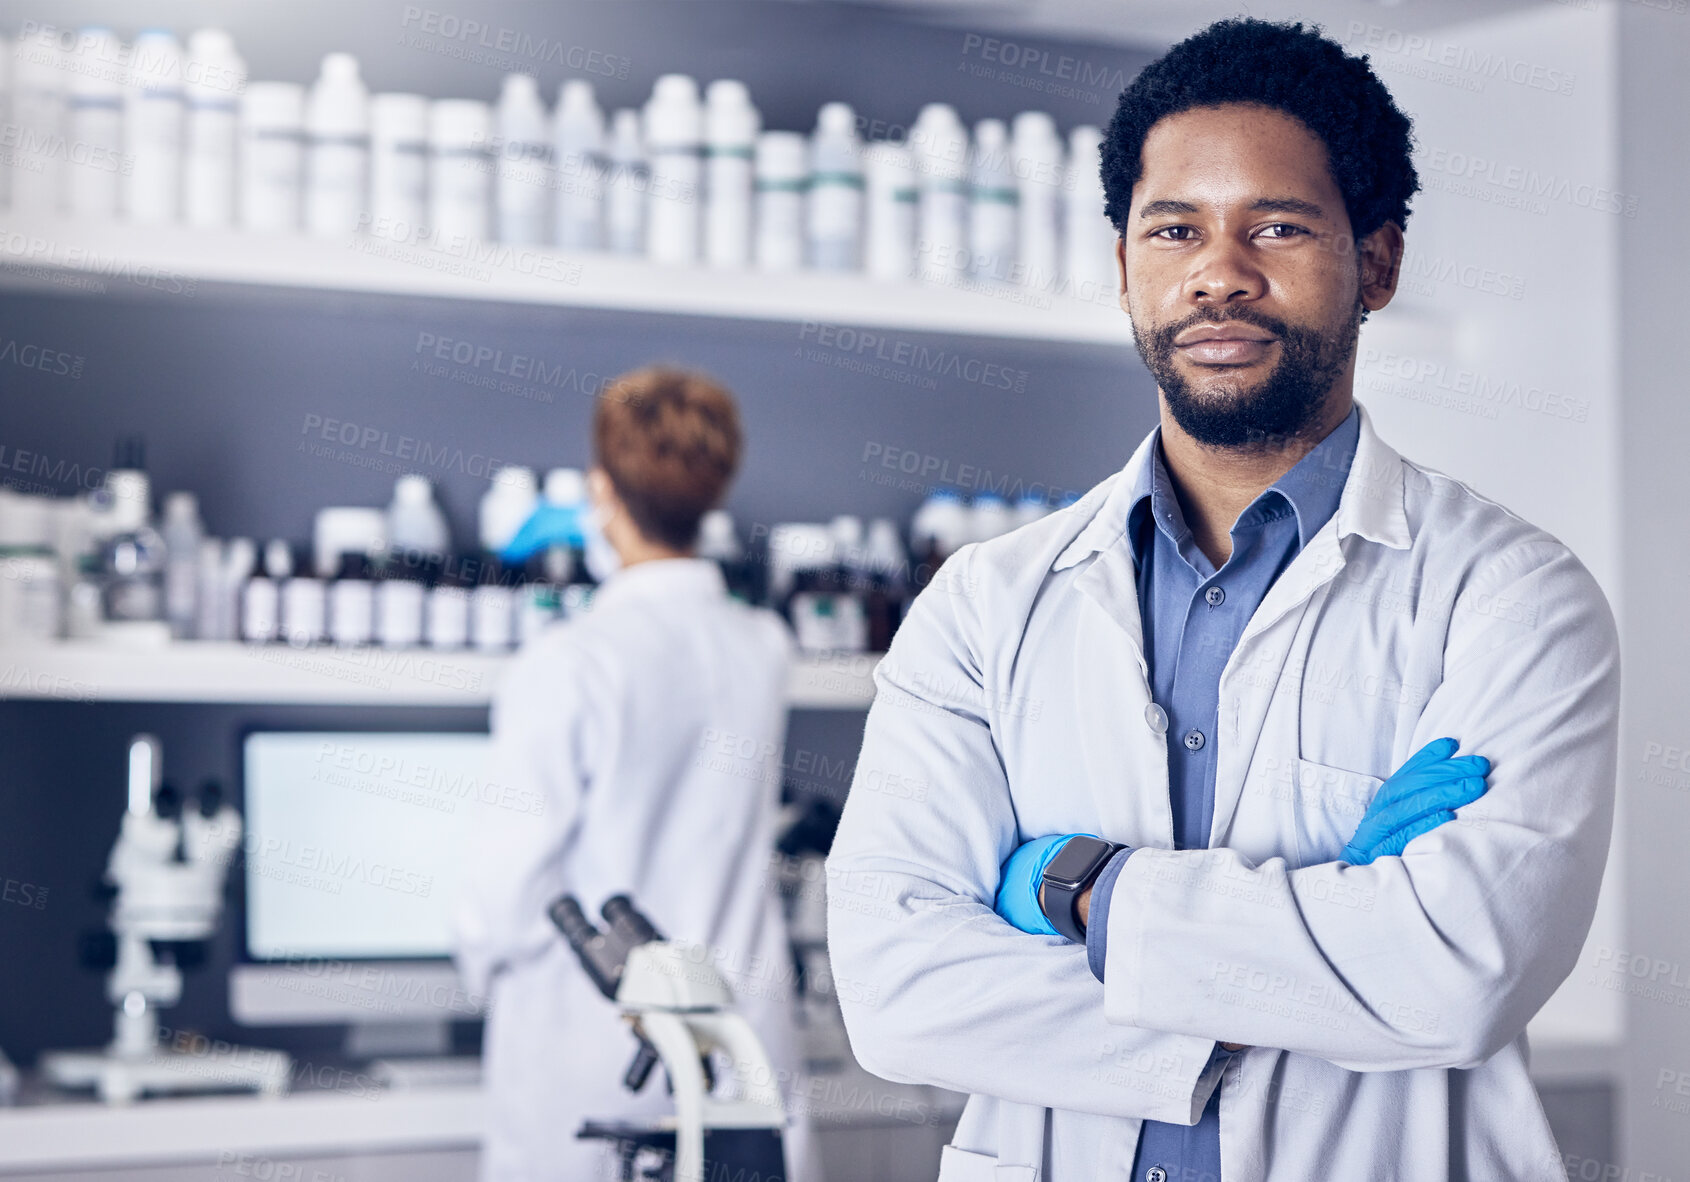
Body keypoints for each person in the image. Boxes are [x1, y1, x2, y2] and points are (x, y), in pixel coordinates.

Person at [826, 18, 1619, 1182]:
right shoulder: (983, 608)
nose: (1218, 273)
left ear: (1379, 262)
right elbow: (898, 994)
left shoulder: (1509, 598)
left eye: (1278, 227)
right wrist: (1328, 936)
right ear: (1123, 266)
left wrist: (1076, 888)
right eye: (1175, 229)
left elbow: (1458, 973)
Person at [455, 366, 817, 1182]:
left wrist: (476, 970)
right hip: (736, 1031)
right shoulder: (761, 647)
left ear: (601, 491)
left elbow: (503, 898)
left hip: (591, 1044)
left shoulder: (569, 662)